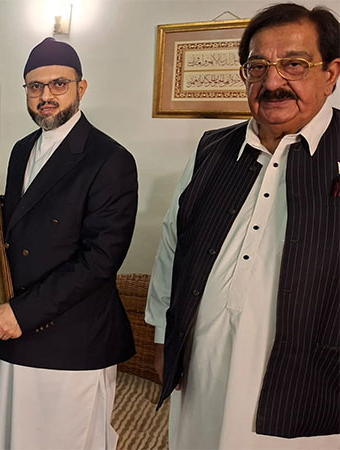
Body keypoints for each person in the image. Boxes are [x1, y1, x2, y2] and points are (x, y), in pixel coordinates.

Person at [145, 3, 340, 448]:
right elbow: (173, 246)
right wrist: (163, 337)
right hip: (205, 361)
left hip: (311, 373)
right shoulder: (213, 149)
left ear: (331, 73)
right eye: (258, 66)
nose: (273, 82)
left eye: (294, 64)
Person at [0, 37, 138, 449]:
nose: (45, 96)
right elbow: (21, 212)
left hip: (70, 333)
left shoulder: (110, 159)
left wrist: (22, 312)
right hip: (18, 324)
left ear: (81, 88)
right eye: (34, 86)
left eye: (58, 84)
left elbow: (100, 260)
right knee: (16, 437)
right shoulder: (21, 149)